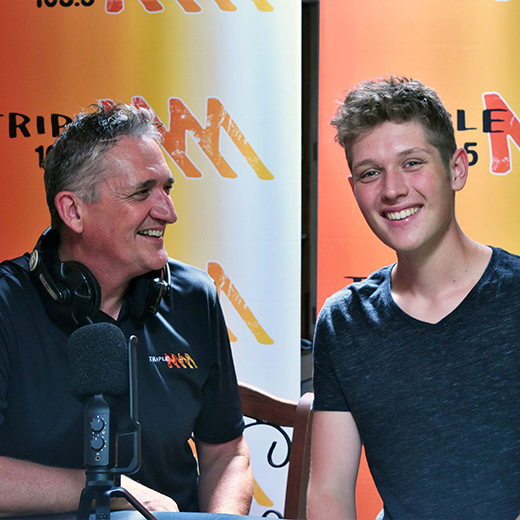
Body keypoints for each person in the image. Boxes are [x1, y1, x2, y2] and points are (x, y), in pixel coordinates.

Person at [0, 103, 254, 516]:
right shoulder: (6, 304)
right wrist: (105, 489)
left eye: (167, 189)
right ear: (74, 211)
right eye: (141, 192)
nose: (168, 212)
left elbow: (226, 453)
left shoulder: (193, 297)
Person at [307, 76, 520, 520]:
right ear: (354, 190)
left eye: (412, 163)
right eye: (370, 173)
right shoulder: (344, 323)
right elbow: (329, 491)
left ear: (457, 169)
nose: (392, 190)